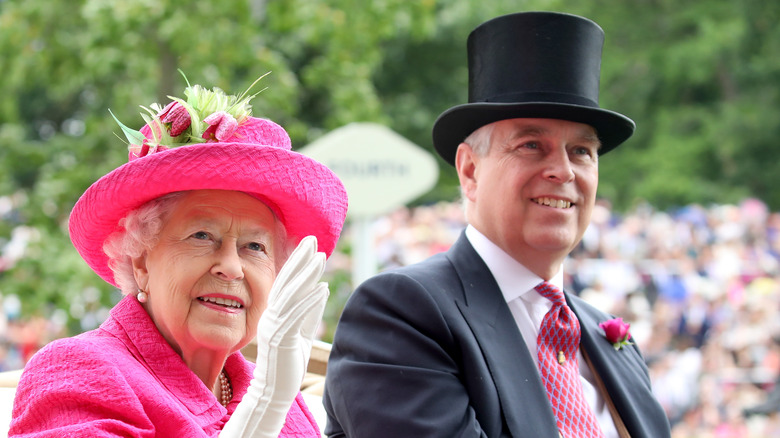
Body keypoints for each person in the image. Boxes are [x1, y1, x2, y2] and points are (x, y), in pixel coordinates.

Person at [323, 11, 671, 438]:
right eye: (531, 145)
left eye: (581, 151)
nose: (562, 170)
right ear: (470, 171)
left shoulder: (610, 339)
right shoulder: (401, 313)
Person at [9, 76, 348, 437]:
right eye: (202, 236)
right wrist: (261, 412)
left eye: (254, 247)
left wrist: (270, 398)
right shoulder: (78, 370)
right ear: (140, 260)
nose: (232, 268)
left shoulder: (279, 395)